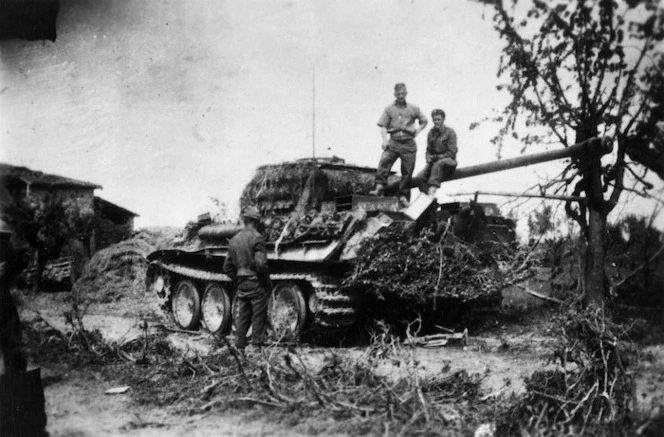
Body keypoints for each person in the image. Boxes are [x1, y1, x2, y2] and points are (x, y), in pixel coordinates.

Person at [369, 83, 428, 207]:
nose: (401, 96)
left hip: (408, 143)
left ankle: (403, 197)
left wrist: (417, 131)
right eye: (398, 94)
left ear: (406, 93)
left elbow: (424, 121)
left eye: (403, 93)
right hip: (394, 141)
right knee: (384, 160)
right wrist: (384, 140)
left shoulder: (414, 108)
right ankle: (379, 186)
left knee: (407, 171)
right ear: (395, 94)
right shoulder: (389, 109)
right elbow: (384, 126)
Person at [223, 206, 271, 353]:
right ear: (256, 222)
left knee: (243, 316)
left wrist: (238, 280)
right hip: (255, 281)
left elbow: (227, 267)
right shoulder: (257, 238)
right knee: (258, 314)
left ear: (244, 221)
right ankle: (256, 348)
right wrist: (264, 281)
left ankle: (240, 347)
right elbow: (261, 264)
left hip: (242, 283)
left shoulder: (234, 240)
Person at [415, 109, 457, 196]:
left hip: (448, 162)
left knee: (438, 165)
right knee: (419, 178)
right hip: (434, 162)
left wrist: (440, 157)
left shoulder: (450, 132)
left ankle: (431, 191)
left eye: (439, 119)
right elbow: (428, 150)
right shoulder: (431, 133)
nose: (436, 122)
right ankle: (426, 197)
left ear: (443, 119)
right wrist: (428, 158)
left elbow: (452, 152)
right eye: (435, 120)